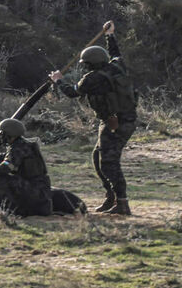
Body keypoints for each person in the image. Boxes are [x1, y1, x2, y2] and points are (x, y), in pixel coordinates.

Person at [50, 21, 136, 215]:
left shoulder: (93, 78)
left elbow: (72, 92)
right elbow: (115, 53)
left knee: (108, 162)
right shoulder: (117, 66)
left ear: (90, 64)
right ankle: (111, 197)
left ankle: (122, 203)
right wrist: (110, 35)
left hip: (114, 122)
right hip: (122, 120)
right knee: (98, 157)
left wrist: (58, 80)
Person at [0, 118, 52, 216]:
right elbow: (17, 156)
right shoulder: (24, 144)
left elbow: (7, 167)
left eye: (3, 133)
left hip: (34, 190)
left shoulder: (17, 147)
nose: (1, 136)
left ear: (10, 134)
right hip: (40, 189)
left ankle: (12, 209)